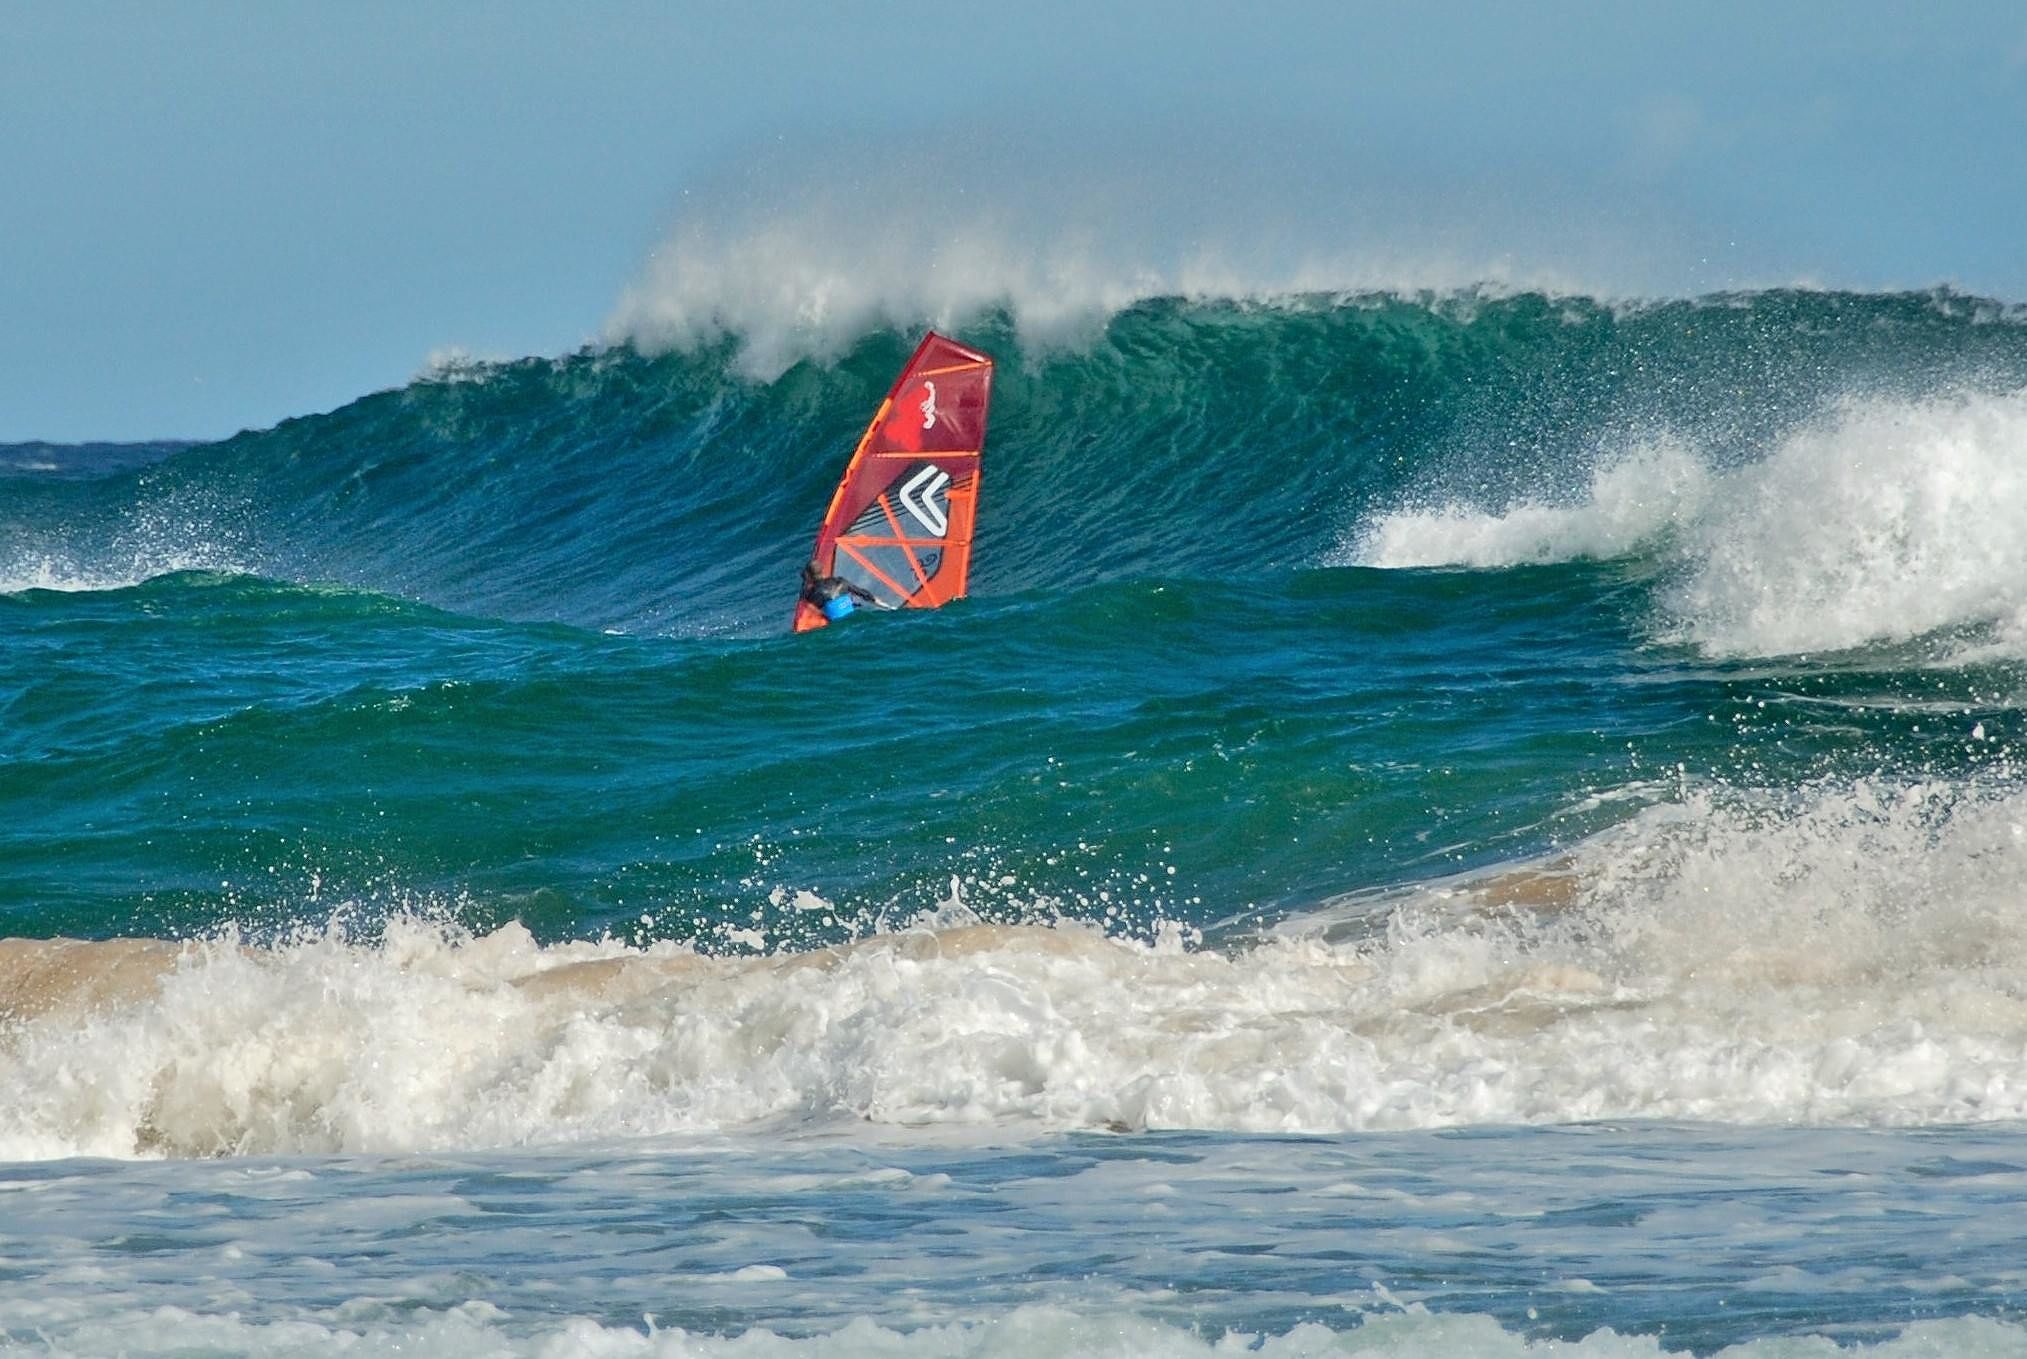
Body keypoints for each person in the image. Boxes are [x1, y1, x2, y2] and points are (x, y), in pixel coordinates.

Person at [800, 560, 877, 621]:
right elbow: (864, 594)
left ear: (809, 576)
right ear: (822, 570)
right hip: (855, 615)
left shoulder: (812, 594)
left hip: (836, 622)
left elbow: (803, 597)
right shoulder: (841, 582)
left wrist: (805, 581)